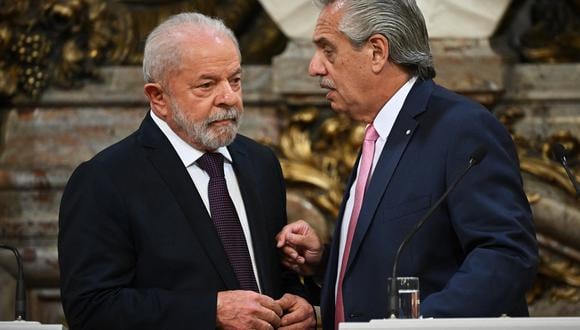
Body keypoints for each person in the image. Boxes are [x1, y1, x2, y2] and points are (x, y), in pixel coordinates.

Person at [276, 0, 538, 329]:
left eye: (328, 50)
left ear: (376, 52)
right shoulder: (379, 132)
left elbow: (506, 254)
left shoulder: (462, 128)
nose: (314, 67)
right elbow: (411, 256)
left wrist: (422, 325)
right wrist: (327, 263)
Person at [58, 12, 315, 330]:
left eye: (235, 80)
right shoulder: (105, 180)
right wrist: (211, 312)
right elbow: (89, 309)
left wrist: (299, 303)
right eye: (207, 85)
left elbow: (277, 276)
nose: (229, 98)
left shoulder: (261, 163)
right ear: (158, 97)